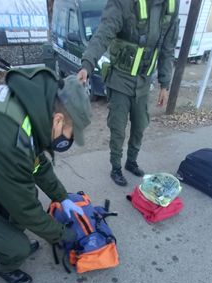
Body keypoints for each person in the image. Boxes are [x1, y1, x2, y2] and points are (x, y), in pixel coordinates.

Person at [0, 68, 92, 283]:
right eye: (71, 132)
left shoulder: (28, 106)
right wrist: (63, 235)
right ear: (58, 121)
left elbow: (35, 164)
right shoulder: (7, 141)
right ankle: (3, 263)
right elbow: (26, 210)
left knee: (26, 191)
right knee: (18, 246)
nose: (70, 139)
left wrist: (62, 197)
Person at [77, 0, 179, 186]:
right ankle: (116, 167)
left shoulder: (171, 5)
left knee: (140, 125)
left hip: (143, 80)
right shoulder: (123, 2)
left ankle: (131, 161)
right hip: (120, 79)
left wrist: (165, 84)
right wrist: (87, 65)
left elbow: (168, 47)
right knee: (118, 127)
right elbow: (103, 33)